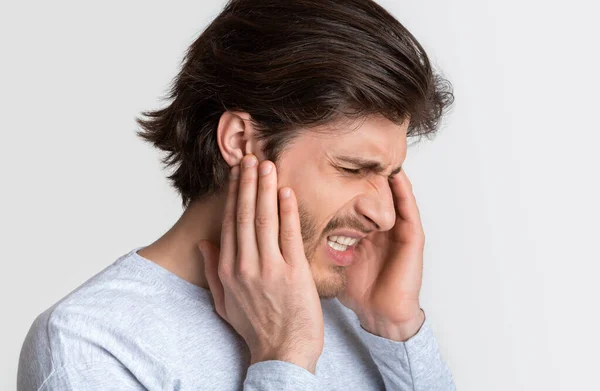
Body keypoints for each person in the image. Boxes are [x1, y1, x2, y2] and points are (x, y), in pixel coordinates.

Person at [18, 0, 456, 389]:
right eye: (352, 168)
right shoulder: (92, 344)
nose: (383, 213)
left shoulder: (358, 314)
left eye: (391, 174)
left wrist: (395, 330)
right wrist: (285, 355)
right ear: (242, 141)